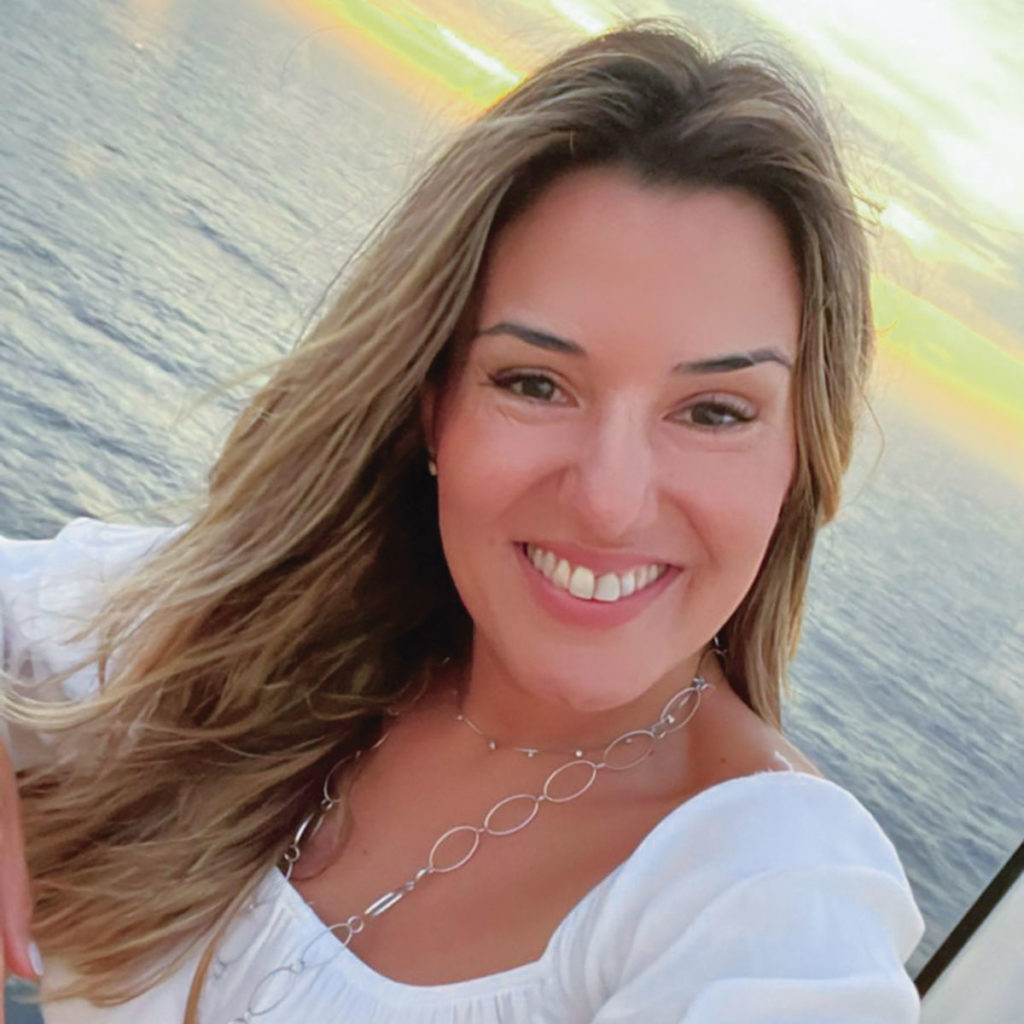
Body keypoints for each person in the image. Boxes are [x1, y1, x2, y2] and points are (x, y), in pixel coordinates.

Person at [0, 20, 924, 1024]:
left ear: (801, 460)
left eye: (713, 412)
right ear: (434, 405)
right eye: (535, 383)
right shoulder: (249, 644)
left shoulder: (771, 895)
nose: (609, 498)